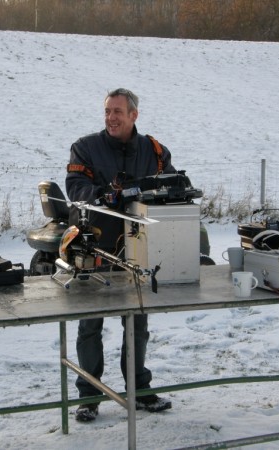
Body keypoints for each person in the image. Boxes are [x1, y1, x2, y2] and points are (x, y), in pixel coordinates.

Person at [65, 88, 174, 422]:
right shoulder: (84, 147)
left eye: (117, 112)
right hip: (93, 246)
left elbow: (170, 185)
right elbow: (74, 187)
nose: (111, 118)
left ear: (134, 115)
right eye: (107, 111)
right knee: (90, 326)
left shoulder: (155, 151)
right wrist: (103, 196)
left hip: (138, 249)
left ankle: (139, 389)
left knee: (137, 322)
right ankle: (89, 396)